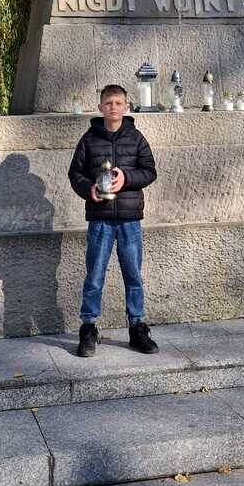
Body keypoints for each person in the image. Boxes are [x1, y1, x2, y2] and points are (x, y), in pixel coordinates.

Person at [68, 84, 159, 358]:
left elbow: (150, 171)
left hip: (130, 219)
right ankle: (88, 327)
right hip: (100, 219)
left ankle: (137, 328)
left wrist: (126, 178)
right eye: (108, 103)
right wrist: (89, 189)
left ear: (126, 107)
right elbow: (75, 174)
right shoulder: (89, 139)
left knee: (133, 275)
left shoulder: (137, 137)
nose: (113, 107)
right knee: (95, 275)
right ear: (100, 108)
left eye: (118, 103)